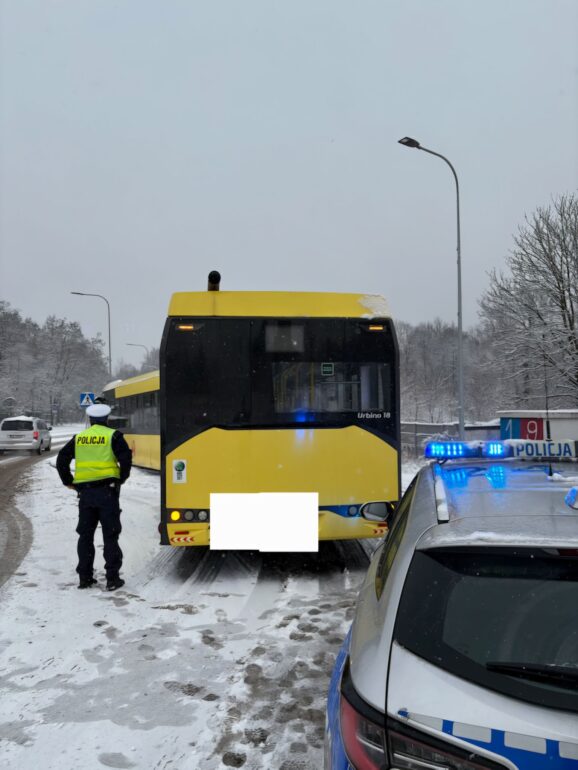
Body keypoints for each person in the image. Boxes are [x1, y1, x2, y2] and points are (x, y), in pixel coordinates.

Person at [57, 403, 132, 591]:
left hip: (86, 495)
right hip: (107, 492)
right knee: (110, 535)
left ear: (90, 419)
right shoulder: (113, 436)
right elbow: (126, 459)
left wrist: (69, 481)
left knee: (85, 536)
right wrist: (120, 479)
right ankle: (113, 579)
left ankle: (85, 578)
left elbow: (62, 459)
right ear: (107, 419)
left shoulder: (79, 438)